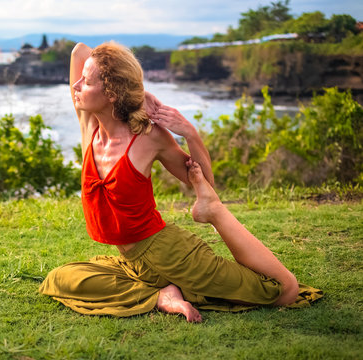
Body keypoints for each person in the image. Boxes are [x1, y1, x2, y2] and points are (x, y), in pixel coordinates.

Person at [39, 41, 322, 322]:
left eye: (85, 82)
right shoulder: (89, 127)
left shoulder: (148, 139)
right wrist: (140, 93)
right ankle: (162, 295)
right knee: (59, 279)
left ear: (111, 93)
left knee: (284, 291)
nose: (75, 86)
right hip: (132, 263)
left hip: (172, 255)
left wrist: (190, 133)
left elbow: (204, 183)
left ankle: (213, 215)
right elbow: (79, 51)